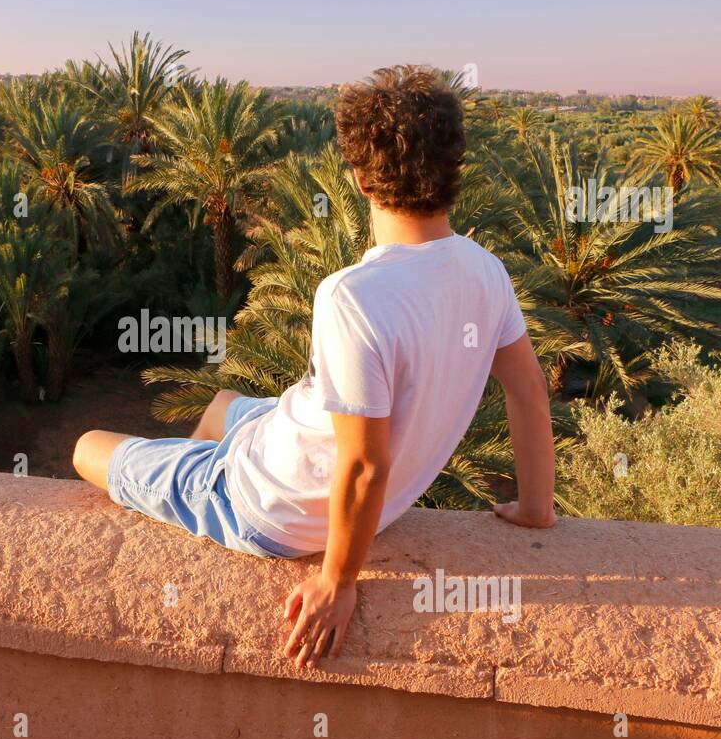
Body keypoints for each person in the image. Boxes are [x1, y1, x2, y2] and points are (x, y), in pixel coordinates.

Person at [73, 65, 557, 670]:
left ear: (358, 176)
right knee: (223, 402)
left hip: (271, 510)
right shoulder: (485, 269)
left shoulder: (352, 294)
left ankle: (201, 492)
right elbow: (529, 389)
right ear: (454, 168)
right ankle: (200, 470)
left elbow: (364, 462)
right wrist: (537, 507)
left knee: (86, 447)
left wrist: (338, 581)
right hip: (291, 450)